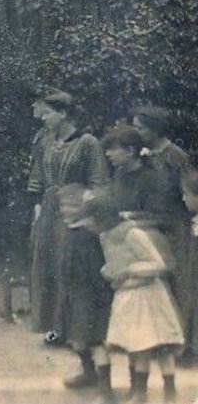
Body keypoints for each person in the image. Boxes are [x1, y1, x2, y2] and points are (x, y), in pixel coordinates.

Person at [28, 91, 108, 364]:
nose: (43, 118)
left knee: (72, 269)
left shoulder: (88, 143)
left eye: (48, 113)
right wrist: (38, 207)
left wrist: (84, 214)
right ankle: (56, 327)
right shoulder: (45, 140)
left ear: (63, 113)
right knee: (49, 266)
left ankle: (80, 332)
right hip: (50, 211)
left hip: (76, 212)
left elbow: (99, 184)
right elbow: (37, 175)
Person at [82, 197, 184, 404]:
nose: (88, 224)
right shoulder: (105, 236)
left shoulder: (133, 234)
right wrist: (109, 272)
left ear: (102, 217)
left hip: (147, 296)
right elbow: (112, 264)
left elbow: (157, 264)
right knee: (135, 344)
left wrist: (129, 270)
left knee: (152, 343)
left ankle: (163, 391)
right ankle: (138, 391)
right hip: (126, 295)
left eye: (91, 219)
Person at [129, 105, 198, 364]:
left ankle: (185, 348)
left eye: (140, 127)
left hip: (176, 229)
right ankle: (160, 342)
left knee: (181, 285)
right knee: (156, 286)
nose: (136, 132)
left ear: (155, 129)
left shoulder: (176, 156)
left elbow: (191, 191)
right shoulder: (144, 156)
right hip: (152, 225)